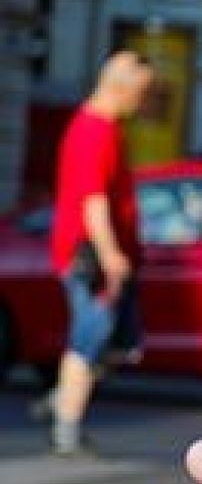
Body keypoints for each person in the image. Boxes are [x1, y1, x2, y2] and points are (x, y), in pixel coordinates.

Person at [44, 50, 155, 457]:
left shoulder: (104, 128)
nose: (142, 102)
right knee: (90, 336)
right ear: (122, 89)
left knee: (118, 340)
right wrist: (111, 255)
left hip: (99, 252)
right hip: (88, 255)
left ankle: (61, 400)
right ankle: (65, 427)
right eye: (141, 93)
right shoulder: (94, 130)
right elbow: (93, 201)